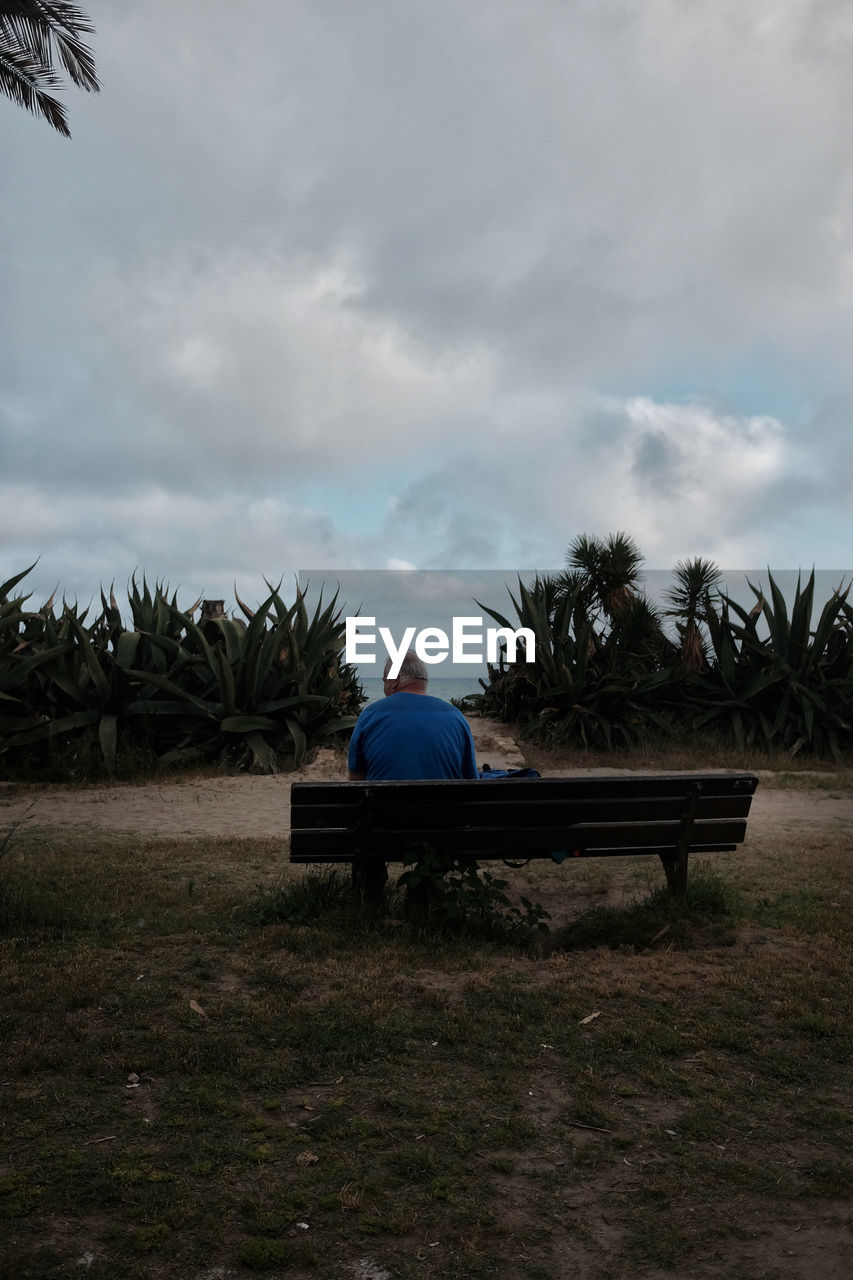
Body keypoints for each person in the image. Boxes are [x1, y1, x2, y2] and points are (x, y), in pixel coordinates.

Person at [348, 650, 478, 781]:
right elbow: (471, 779)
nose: (384, 688)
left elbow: (355, 780)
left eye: (384, 681)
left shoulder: (370, 715)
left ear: (394, 680)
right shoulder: (456, 716)